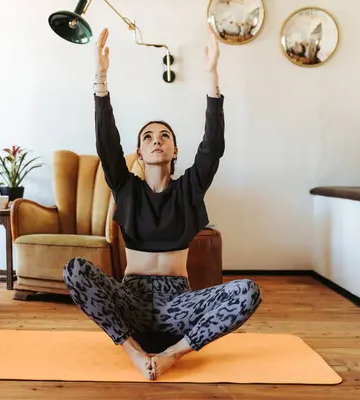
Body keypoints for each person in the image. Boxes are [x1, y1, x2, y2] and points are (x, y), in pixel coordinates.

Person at [62, 26, 262, 380]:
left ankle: (174, 354)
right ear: (139, 152)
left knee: (248, 291)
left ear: (174, 150)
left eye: (165, 136)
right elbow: (106, 142)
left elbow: (212, 147)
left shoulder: (189, 189)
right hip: (130, 303)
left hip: (177, 308)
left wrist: (212, 76)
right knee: (75, 269)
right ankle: (134, 352)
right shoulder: (125, 187)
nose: (157, 141)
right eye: (148, 137)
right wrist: (100, 76)